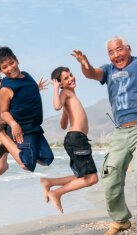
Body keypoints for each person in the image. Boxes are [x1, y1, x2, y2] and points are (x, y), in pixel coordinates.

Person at [72, 36, 137, 235]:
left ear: (128, 49)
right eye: (111, 52)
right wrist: (85, 64)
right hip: (120, 132)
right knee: (110, 174)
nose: (116, 55)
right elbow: (92, 73)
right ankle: (121, 219)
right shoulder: (108, 70)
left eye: (119, 50)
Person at [0, 46, 54, 173]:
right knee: (26, 164)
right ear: (1, 71)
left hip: (34, 127)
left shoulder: (27, 76)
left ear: (17, 60)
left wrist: (36, 88)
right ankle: (0, 135)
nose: (10, 68)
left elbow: (26, 95)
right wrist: (14, 125)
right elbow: (4, 112)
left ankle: (9, 146)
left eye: (11, 63)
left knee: (47, 159)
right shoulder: (6, 88)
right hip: (22, 130)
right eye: (5, 67)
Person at [40, 67, 98, 213]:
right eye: (65, 78)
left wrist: (66, 111)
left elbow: (63, 125)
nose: (71, 78)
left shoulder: (70, 94)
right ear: (60, 84)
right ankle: (56, 192)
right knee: (92, 179)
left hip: (76, 139)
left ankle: (50, 182)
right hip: (76, 139)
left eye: (70, 75)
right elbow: (56, 106)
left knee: (83, 176)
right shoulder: (64, 92)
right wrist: (56, 89)